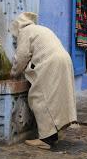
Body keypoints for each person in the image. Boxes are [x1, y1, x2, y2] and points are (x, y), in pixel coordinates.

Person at [10, 12, 77, 150]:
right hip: (64, 60)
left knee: (39, 97)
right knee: (56, 97)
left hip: (51, 63)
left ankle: (46, 139)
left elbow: (21, 57)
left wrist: (13, 73)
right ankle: (55, 133)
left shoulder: (25, 32)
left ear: (18, 27)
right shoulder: (40, 29)